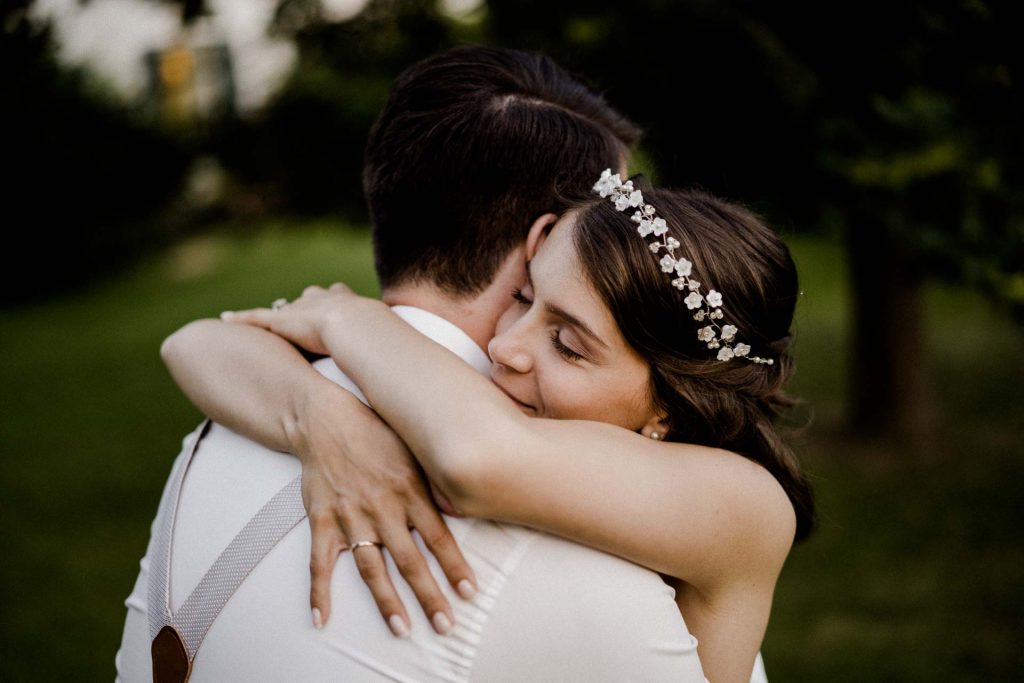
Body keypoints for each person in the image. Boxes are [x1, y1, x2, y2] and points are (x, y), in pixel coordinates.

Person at [117, 46, 725, 682]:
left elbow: (192, 340)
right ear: (544, 241)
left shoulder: (218, 429)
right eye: (604, 219)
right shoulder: (557, 536)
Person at [169, 176, 812, 681]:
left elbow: (472, 459)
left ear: (668, 407)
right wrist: (321, 414)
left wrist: (348, 317)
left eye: (567, 344)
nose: (506, 347)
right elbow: (193, 344)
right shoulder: (531, 426)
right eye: (526, 299)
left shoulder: (745, 502)